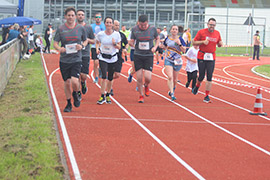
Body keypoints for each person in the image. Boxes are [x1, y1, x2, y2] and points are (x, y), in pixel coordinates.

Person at [53, 7, 88, 112]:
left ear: (75, 16)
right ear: (65, 17)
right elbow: (55, 43)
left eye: (73, 15)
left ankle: (76, 93)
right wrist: (60, 49)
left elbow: (85, 41)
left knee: (74, 81)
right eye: (69, 15)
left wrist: (81, 46)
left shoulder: (80, 28)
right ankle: (68, 103)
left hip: (76, 59)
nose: (71, 17)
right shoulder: (61, 29)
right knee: (67, 82)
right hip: (64, 60)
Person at [129, 14, 160, 103]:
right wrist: (132, 44)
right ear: (138, 23)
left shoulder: (152, 29)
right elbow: (132, 41)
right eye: (141, 25)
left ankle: (146, 85)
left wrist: (155, 47)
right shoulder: (134, 29)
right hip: (138, 55)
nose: (142, 27)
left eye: (144, 25)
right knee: (139, 78)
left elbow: (157, 39)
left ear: (147, 23)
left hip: (148, 55)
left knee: (148, 77)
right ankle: (141, 95)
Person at [191, 18, 223, 103]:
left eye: (213, 25)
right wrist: (202, 42)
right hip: (202, 56)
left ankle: (206, 95)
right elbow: (193, 42)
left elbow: (219, 43)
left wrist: (220, 44)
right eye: (210, 24)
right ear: (207, 24)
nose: (212, 26)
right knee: (201, 76)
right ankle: (197, 86)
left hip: (211, 57)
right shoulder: (201, 32)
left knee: (209, 76)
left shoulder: (217, 33)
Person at [95, 17, 121, 105]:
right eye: (107, 22)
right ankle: (102, 95)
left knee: (110, 78)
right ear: (105, 23)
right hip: (103, 58)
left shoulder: (116, 35)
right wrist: (97, 49)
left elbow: (119, 47)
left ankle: (108, 94)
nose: (109, 24)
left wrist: (115, 44)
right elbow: (97, 42)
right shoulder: (101, 34)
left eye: (110, 22)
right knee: (103, 77)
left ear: (112, 24)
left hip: (113, 58)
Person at [159, 25, 186, 101]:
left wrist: (179, 44)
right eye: (173, 29)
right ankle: (172, 94)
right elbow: (164, 46)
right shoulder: (167, 38)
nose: (174, 30)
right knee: (170, 77)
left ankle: (173, 89)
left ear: (178, 31)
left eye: (176, 29)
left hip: (177, 61)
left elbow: (184, 50)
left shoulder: (180, 39)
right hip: (168, 60)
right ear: (170, 30)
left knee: (175, 79)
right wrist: (162, 46)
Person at [76, 9, 95, 97]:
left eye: (82, 15)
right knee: (76, 75)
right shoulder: (73, 27)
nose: (80, 16)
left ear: (84, 17)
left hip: (85, 54)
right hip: (75, 54)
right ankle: (78, 91)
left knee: (83, 75)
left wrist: (87, 40)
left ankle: (83, 83)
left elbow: (93, 41)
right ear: (76, 16)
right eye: (79, 14)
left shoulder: (88, 28)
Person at [110, 20, 128, 96]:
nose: (117, 27)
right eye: (116, 25)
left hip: (119, 56)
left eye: (118, 25)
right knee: (111, 72)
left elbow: (126, 43)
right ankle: (110, 88)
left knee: (117, 74)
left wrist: (125, 49)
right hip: (110, 56)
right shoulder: (109, 34)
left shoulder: (121, 35)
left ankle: (108, 80)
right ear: (112, 25)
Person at [91, 13, 106, 83]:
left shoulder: (104, 26)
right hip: (94, 46)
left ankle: (100, 70)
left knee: (102, 62)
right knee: (95, 62)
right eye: (96, 17)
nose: (98, 18)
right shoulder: (92, 26)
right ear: (94, 18)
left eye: (99, 17)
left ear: (101, 18)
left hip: (102, 46)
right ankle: (96, 77)